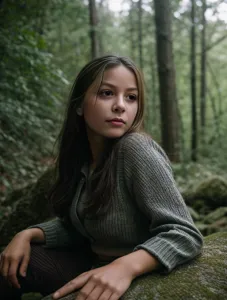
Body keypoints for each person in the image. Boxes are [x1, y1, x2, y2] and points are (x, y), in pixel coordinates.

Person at [0, 55, 203, 300]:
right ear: (79, 104)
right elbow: (81, 226)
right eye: (107, 93)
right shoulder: (84, 159)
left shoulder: (135, 149)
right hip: (91, 264)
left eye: (131, 97)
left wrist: (124, 267)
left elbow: (185, 234)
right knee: (6, 266)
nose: (121, 105)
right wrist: (27, 234)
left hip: (139, 273)